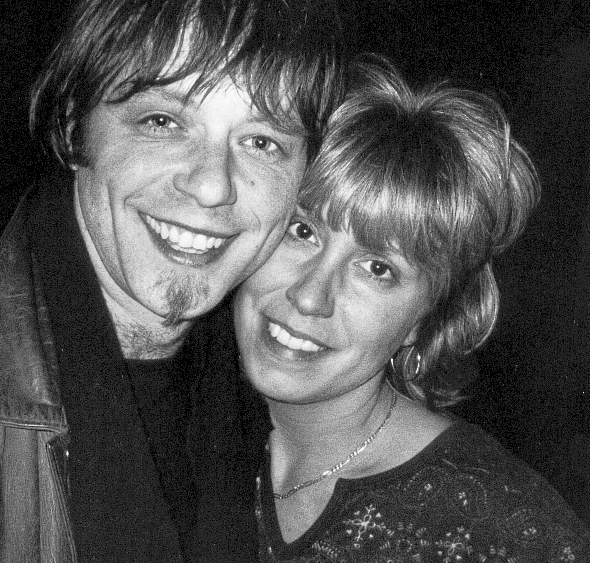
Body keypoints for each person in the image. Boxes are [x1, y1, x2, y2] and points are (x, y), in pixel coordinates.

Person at [0, 0, 344, 561]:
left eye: (262, 143)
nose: (212, 186)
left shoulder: (262, 404)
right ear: (74, 127)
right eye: (163, 122)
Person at [232, 57, 590, 562]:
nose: (310, 296)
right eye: (303, 230)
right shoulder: (188, 424)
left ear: (424, 319)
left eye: (377, 268)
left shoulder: (498, 529)